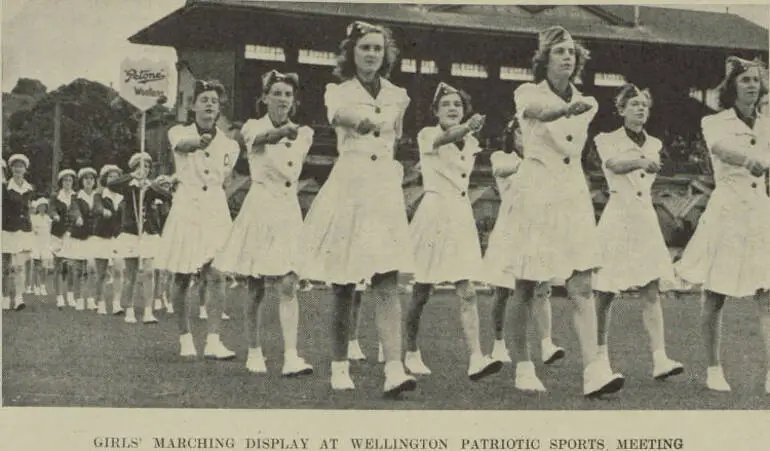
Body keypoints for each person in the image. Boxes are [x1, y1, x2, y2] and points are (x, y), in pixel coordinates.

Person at [496, 26, 624, 396]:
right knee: (526, 283)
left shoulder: (590, 102)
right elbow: (537, 111)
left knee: (582, 282)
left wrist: (572, 106)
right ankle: (522, 365)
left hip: (572, 194)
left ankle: (593, 372)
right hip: (535, 190)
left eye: (571, 52)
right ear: (544, 59)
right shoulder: (527, 93)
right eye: (559, 52)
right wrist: (566, 108)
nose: (567, 57)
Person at [301, 20, 416, 396]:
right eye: (365, 47)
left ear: (386, 55)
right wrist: (365, 120)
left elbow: (394, 141)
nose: (371, 54)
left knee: (387, 278)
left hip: (382, 188)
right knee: (344, 283)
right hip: (349, 186)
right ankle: (338, 365)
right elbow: (341, 117)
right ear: (352, 53)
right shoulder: (338, 90)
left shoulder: (398, 94)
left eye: (378, 49)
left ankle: (395, 369)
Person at [676, 56, 770, 393]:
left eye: (756, 80)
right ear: (732, 87)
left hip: (761, 212)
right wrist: (749, 159)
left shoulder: (767, 121)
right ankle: (714, 369)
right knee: (715, 294)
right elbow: (720, 148)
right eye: (745, 80)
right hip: (728, 211)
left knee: (768, 292)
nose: (752, 86)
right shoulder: (714, 121)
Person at [214, 69, 314, 376]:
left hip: (287, 210)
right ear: (265, 98)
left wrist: (290, 132)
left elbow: (291, 167)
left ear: (293, 101)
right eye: (277, 93)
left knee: (288, 283)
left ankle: (291, 356)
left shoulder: (305, 133)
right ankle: (254, 351)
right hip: (260, 207)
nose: (283, 99)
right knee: (255, 284)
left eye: (287, 94)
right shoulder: (251, 126)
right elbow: (260, 140)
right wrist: (282, 132)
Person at [403, 81, 502, 379]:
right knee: (421, 291)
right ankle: (410, 351)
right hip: (433, 214)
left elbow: (461, 139)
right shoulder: (428, 135)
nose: (452, 109)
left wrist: (468, 131)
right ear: (435, 111)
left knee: (467, 290)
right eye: (445, 104)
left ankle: (476, 358)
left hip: (459, 217)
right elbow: (448, 137)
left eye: (457, 105)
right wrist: (468, 127)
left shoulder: (471, 143)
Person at [593, 84, 684, 381]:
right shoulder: (605, 139)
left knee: (651, 289)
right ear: (621, 110)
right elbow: (614, 164)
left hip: (644, 219)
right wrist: (640, 161)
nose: (640, 108)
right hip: (617, 216)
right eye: (633, 104)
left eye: (644, 104)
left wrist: (647, 159)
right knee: (605, 291)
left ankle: (660, 359)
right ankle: (599, 358)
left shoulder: (655, 143)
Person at [155, 80, 240, 359]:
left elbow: (224, 178)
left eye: (214, 101)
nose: (209, 105)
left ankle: (214, 339)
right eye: (203, 99)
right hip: (187, 206)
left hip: (214, 209)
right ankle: (185, 337)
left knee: (216, 275)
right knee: (182, 275)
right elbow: (183, 145)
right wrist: (199, 142)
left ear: (219, 108)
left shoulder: (230, 144)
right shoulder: (177, 131)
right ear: (193, 106)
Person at [484, 118, 566, 366]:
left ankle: (546, 343)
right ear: (512, 135)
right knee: (503, 291)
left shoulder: (543, 160)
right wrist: (531, 162)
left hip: (537, 229)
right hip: (510, 229)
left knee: (542, 288)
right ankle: (499, 343)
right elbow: (500, 171)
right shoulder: (502, 157)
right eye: (521, 132)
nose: (526, 136)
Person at [108, 153, 165, 324]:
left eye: (147, 166)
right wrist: (133, 177)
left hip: (148, 234)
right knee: (131, 274)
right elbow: (111, 184)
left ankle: (148, 310)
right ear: (134, 168)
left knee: (149, 272)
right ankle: (130, 309)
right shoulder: (127, 186)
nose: (145, 169)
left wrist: (150, 185)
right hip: (131, 233)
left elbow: (167, 195)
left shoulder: (150, 187)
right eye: (141, 166)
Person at [2, 154, 35, 311]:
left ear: (25, 169)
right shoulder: (4, 187)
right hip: (8, 230)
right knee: (6, 267)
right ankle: (5, 296)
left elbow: (27, 208)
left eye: (21, 166)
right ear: (11, 169)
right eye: (15, 166)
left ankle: (18, 298)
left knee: (19, 266)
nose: (18, 169)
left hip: (24, 230)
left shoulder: (29, 188)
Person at [93, 164, 125, 315]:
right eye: (111, 176)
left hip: (118, 237)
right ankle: (100, 302)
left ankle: (117, 303)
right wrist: (103, 211)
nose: (114, 179)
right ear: (105, 179)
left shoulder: (123, 196)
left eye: (116, 176)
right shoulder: (99, 195)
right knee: (102, 273)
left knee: (118, 270)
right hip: (101, 236)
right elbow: (96, 208)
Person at [68, 167, 100, 311]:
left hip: (93, 236)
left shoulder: (98, 196)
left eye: (91, 178)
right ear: (81, 181)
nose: (89, 181)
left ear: (94, 181)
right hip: (79, 236)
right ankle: (79, 298)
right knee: (79, 269)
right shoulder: (76, 197)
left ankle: (91, 298)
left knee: (92, 268)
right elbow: (74, 209)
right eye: (86, 178)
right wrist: (78, 217)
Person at [50, 169, 77, 308]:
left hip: (71, 234)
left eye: (70, 180)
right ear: (61, 182)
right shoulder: (55, 196)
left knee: (71, 266)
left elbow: (78, 211)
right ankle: (59, 297)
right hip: (57, 234)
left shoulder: (75, 196)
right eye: (65, 180)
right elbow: (51, 209)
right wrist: (54, 215)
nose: (67, 182)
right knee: (58, 265)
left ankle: (70, 295)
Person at [30, 198, 53, 297]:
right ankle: (36, 287)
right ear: (38, 208)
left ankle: (43, 286)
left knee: (44, 267)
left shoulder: (48, 218)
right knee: (36, 266)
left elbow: (50, 232)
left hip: (45, 243)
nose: (42, 208)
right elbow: (33, 231)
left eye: (44, 206)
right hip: (36, 243)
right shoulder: (34, 218)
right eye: (40, 206)